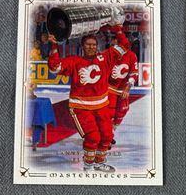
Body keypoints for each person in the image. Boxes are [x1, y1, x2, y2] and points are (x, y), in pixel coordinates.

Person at [47, 23, 130, 172]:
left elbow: (124, 45)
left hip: (101, 105)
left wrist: (118, 28)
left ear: (97, 46)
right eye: (88, 44)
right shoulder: (74, 61)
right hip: (81, 107)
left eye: (93, 44)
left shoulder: (106, 57)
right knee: (93, 137)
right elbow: (55, 67)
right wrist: (54, 46)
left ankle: (99, 163)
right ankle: (88, 166)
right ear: (82, 46)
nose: (91, 47)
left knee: (107, 136)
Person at [107, 34, 138, 144]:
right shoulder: (108, 54)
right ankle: (107, 136)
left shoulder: (132, 56)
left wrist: (127, 87)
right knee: (109, 112)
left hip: (122, 88)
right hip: (109, 88)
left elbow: (134, 73)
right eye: (113, 45)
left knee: (123, 109)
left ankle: (111, 130)